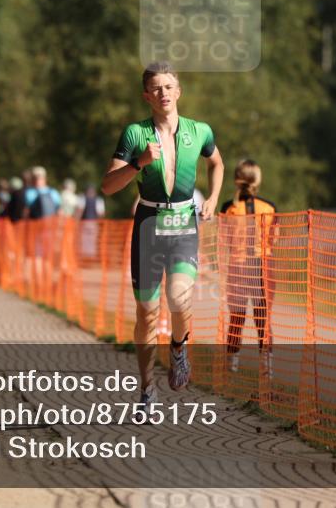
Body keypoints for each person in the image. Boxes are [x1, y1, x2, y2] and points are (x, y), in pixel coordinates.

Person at [101, 61, 224, 414]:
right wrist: (137, 163)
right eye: (156, 88)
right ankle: (146, 390)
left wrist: (213, 197)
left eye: (168, 86)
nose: (163, 93)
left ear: (178, 91)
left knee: (179, 298)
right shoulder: (135, 134)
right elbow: (108, 186)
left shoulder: (199, 131)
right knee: (147, 313)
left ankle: (179, 348)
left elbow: (217, 163)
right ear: (146, 96)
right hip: (149, 224)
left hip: (183, 222)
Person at [219, 159, 277, 374]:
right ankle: (267, 367)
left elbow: (224, 239)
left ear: (237, 179)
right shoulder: (269, 208)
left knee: (237, 317)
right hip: (264, 267)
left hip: (238, 267)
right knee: (263, 318)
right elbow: (274, 239)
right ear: (257, 180)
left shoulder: (229, 208)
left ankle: (231, 365)